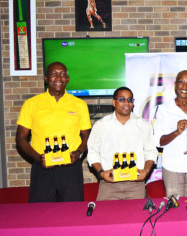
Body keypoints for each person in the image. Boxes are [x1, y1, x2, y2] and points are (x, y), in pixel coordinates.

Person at [16, 62, 91, 202]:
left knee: (72, 214)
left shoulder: (79, 105)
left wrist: (79, 153)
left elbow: (87, 137)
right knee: (40, 215)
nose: (58, 78)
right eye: (54, 74)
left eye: (63, 74)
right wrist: (38, 158)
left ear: (67, 79)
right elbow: (20, 139)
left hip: (70, 169)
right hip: (43, 168)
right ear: (46, 78)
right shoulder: (31, 104)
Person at [87, 87, 157, 200]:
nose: (127, 103)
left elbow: (151, 152)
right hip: (109, 184)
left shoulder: (143, 125)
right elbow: (92, 152)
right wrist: (101, 173)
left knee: (138, 217)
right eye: (122, 99)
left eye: (130, 100)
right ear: (114, 102)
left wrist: (146, 171)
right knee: (104, 216)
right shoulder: (101, 125)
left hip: (135, 184)